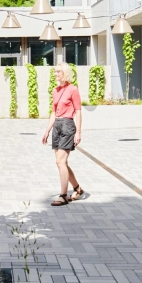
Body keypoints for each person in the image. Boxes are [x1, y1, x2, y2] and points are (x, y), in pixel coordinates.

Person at [42, 62, 85, 206]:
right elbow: (54, 112)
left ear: (65, 73)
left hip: (68, 125)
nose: (56, 74)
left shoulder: (73, 89)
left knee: (60, 162)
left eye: (58, 71)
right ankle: (78, 189)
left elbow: (78, 111)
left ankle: (63, 196)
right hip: (57, 126)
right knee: (63, 163)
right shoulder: (55, 91)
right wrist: (47, 130)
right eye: (55, 71)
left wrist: (78, 132)